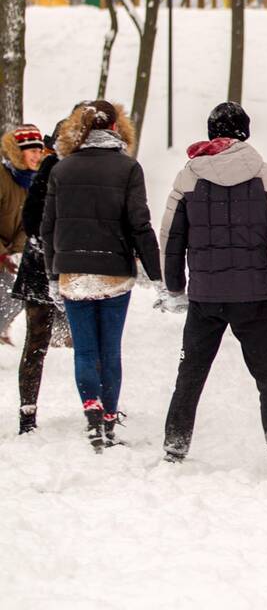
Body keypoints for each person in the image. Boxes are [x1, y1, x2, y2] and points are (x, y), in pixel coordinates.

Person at [159, 102, 267, 480]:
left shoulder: (188, 178)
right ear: (245, 133)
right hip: (254, 300)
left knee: (191, 375)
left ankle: (174, 450)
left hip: (206, 298)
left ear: (212, 132)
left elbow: (171, 238)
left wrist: (174, 287)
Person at [41, 101, 162, 452]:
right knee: (110, 350)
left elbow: (48, 228)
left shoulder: (62, 170)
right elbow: (139, 224)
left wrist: (53, 273)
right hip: (113, 270)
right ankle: (109, 419)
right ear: (116, 127)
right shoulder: (127, 168)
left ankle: (91, 415)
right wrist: (158, 275)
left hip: (73, 271)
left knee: (84, 350)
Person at [11, 126, 64, 434]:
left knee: (35, 344)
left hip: (40, 265)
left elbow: (30, 220)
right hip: (56, 266)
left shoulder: (47, 169)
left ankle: (27, 414)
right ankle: (100, 411)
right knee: (90, 345)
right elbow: (31, 220)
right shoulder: (58, 169)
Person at [0, 125, 40, 345]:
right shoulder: (3, 177)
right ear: (18, 152)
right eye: (31, 150)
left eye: (38, 150)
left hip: (8, 253)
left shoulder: (32, 181)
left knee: (18, 295)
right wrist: (2, 254)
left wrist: (15, 252)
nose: (37, 155)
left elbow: (28, 223)